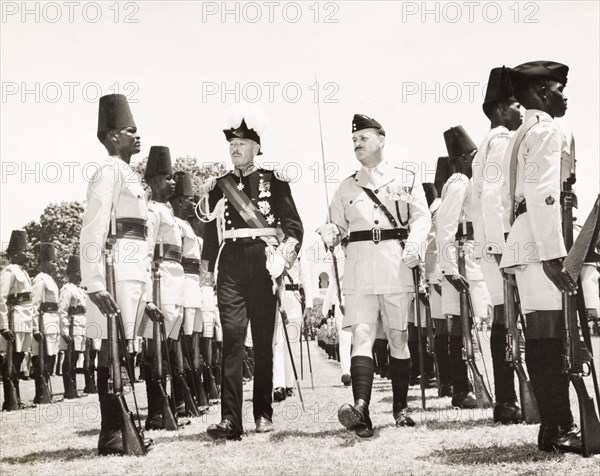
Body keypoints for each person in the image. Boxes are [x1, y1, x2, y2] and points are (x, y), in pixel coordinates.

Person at [318, 114, 431, 437]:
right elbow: (337, 226)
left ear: (382, 139)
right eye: (354, 141)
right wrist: (330, 232)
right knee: (362, 335)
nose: (357, 145)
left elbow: (422, 219)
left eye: (363, 139)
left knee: (397, 337)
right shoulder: (346, 187)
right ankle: (361, 408)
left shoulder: (405, 180)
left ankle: (400, 407)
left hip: (395, 266)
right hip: (358, 268)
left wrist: (415, 245)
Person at [200, 112, 303, 439]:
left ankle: (263, 413)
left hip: (263, 262)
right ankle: (230, 419)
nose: (235, 148)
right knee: (231, 341)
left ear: (256, 147)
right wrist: (205, 194)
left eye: (241, 143)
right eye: (231, 143)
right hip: (229, 263)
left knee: (261, 343)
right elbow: (207, 225)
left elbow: (294, 227)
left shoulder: (275, 180)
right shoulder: (220, 185)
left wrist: (284, 258)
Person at [499, 61, 582, 453]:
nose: (566, 96)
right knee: (550, 336)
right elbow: (544, 193)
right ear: (543, 94)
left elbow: (507, 199)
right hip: (541, 240)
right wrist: (553, 254)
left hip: (525, 239)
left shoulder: (521, 133)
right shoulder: (547, 130)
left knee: (544, 335)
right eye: (559, 89)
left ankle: (553, 426)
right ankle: (559, 426)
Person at [80, 93, 156, 455]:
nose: (136, 136)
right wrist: (93, 281)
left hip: (133, 270)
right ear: (112, 136)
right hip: (114, 271)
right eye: (130, 131)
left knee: (125, 352)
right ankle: (111, 431)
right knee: (109, 352)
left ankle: (124, 424)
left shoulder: (130, 175)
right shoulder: (107, 171)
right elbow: (94, 227)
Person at [471, 66, 524, 423]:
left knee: (506, 321)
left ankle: (507, 399)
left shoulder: (487, 143)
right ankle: (507, 400)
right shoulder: (503, 139)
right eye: (517, 104)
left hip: (493, 245)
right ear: (503, 109)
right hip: (502, 246)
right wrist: (502, 245)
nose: (523, 110)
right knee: (509, 321)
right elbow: (492, 197)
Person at [437, 125, 490, 409]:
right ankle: (462, 388)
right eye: (472, 155)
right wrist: (448, 267)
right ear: (461, 159)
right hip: (461, 257)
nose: (476, 159)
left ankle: (468, 385)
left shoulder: (469, 183)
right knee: (463, 325)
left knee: (470, 324)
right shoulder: (459, 182)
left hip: (470, 254)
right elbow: (445, 226)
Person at [138, 145, 189, 428]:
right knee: (154, 351)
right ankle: (156, 412)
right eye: (168, 178)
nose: (173, 182)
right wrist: (146, 295)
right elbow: (146, 253)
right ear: (156, 181)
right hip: (159, 285)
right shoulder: (152, 211)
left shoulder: (168, 212)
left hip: (173, 283)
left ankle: (164, 407)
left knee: (166, 349)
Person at [273, 229, 314, 401]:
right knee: (278, 343)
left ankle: (289, 383)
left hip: (294, 298)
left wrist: (309, 304)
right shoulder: (271, 249)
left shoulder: (298, 250)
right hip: (276, 299)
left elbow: (306, 277)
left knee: (292, 342)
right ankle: (278, 385)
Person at [0, 230, 33, 410]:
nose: (27, 254)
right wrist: (3, 325)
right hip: (15, 319)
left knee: (19, 360)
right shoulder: (9, 271)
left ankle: (17, 398)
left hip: (25, 319)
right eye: (23, 251)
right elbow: (1, 298)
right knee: (11, 361)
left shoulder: (24, 272)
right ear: (15, 253)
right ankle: (10, 400)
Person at [31, 243, 61, 403]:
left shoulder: (51, 280)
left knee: (50, 359)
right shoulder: (40, 279)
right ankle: (40, 394)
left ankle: (45, 392)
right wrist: (35, 328)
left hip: (52, 323)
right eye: (52, 261)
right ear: (43, 262)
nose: (55, 265)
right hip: (43, 325)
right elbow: (34, 305)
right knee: (41, 361)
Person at [58, 254, 87, 399]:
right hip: (71, 327)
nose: (80, 275)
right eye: (77, 272)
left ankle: (73, 388)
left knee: (75, 359)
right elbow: (62, 310)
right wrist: (64, 330)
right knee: (69, 359)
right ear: (70, 273)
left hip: (80, 327)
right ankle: (69, 389)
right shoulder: (67, 289)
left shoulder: (80, 290)